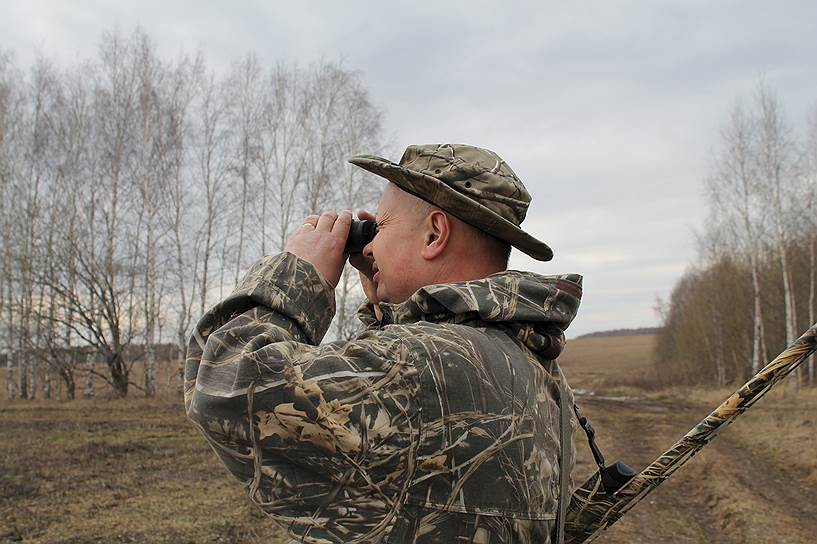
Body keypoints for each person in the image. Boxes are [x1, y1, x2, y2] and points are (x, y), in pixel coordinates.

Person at [184, 143, 582, 543]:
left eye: (382, 227)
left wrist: (297, 274)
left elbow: (226, 386)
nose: (369, 246)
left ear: (434, 234)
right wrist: (386, 309)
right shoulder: (532, 363)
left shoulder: (427, 362)